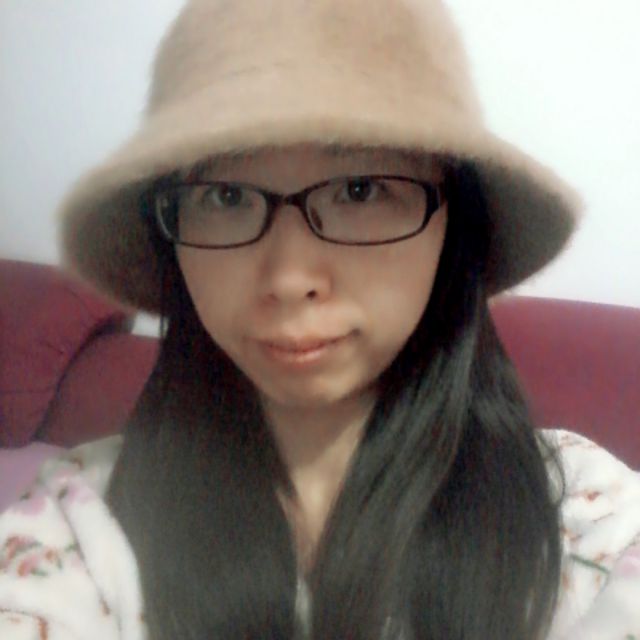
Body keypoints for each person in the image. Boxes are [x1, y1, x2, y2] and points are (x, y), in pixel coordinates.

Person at [1, 0, 639, 638]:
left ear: (455, 225)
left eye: (360, 189)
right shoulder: (78, 530)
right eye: (225, 195)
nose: (288, 277)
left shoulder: (586, 519)